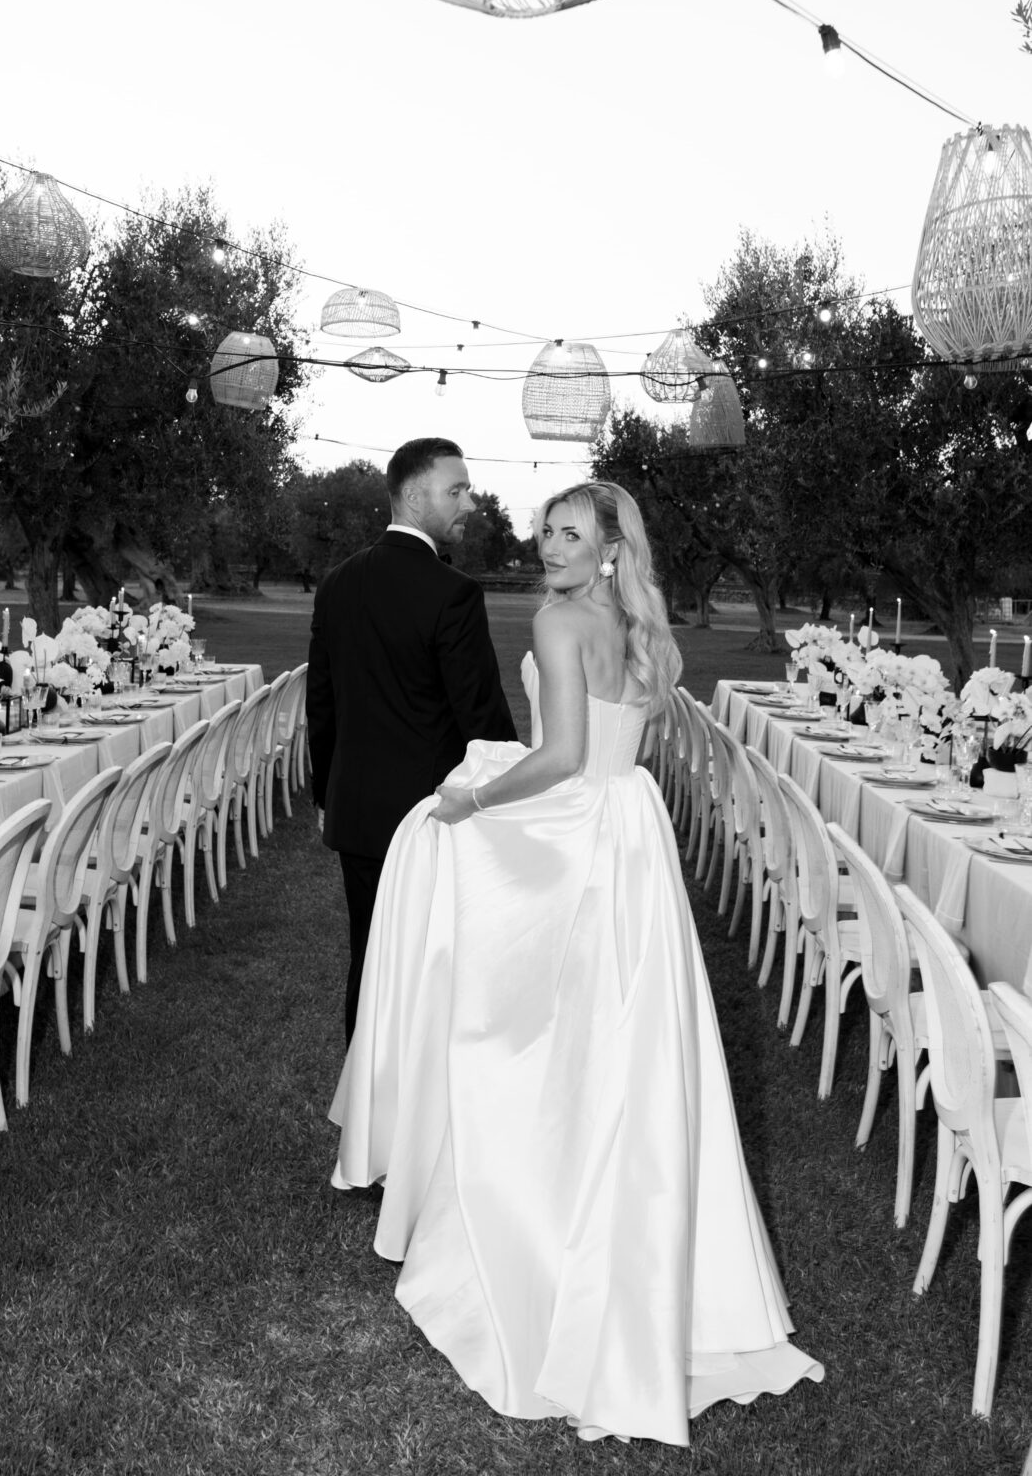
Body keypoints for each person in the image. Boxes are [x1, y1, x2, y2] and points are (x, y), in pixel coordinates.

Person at [329, 480, 823, 1446]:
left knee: (524, 1022)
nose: (548, 546)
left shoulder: (559, 623)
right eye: (545, 530)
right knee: (628, 1042)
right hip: (633, 827)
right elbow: (620, 750)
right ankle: (642, 1249)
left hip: (584, 831)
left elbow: (558, 759)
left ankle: (537, 1225)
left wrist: (471, 802)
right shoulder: (644, 631)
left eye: (569, 534)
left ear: (609, 550)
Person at [306, 436, 517, 1044]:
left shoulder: (336, 583)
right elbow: (483, 719)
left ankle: (366, 1091)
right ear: (414, 496)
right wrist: (507, 796)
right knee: (429, 965)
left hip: (356, 811)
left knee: (369, 958)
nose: (470, 503)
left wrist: (325, 794)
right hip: (431, 818)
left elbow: (322, 705)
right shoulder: (453, 592)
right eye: (457, 490)